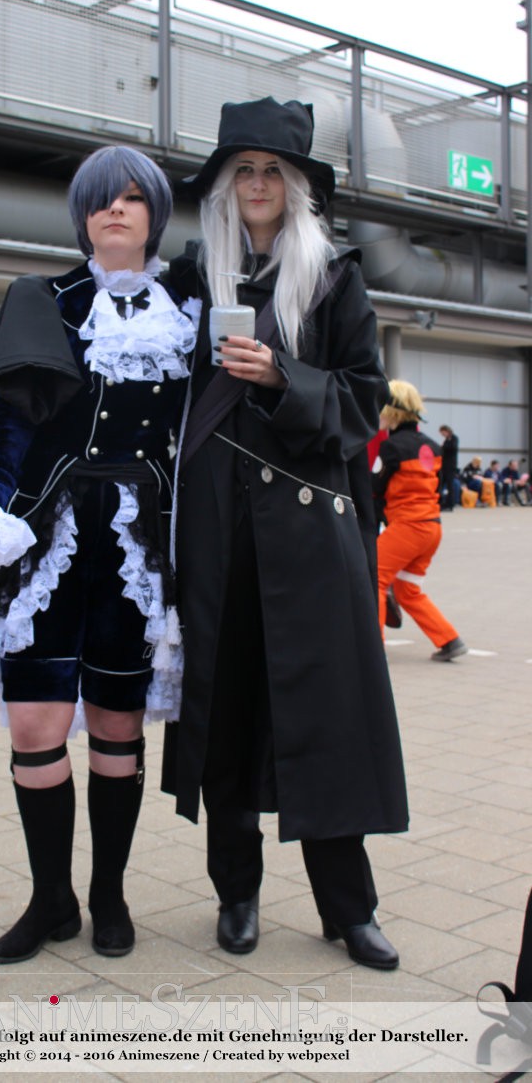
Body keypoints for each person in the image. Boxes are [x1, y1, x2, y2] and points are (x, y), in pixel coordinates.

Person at [0, 145, 197, 963]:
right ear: (81, 215)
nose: (117, 210)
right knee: (38, 720)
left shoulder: (192, 307)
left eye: (134, 199)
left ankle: (109, 895)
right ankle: (52, 900)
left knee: (115, 722)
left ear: (155, 217)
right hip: (52, 534)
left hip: (143, 541)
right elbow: (11, 426)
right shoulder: (43, 299)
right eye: (101, 199)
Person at [161, 97, 407, 970]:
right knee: (225, 713)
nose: (257, 184)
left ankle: (350, 906)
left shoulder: (334, 278)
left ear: (295, 187)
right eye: (243, 171)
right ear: (225, 187)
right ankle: (237, 892)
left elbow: (361, 406)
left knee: (325, 719)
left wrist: (280, 374)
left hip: (311, 538)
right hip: (219, 530)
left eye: (272, 170)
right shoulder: (193, 278)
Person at [374, 380, 468, 662]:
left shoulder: (390, 448)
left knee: (373, 578)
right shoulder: (432, 447)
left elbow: (374, 490)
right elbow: (436, 486)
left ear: (393, 412)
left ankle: (372, 649)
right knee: (406, 589)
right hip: (432, 528)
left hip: (407, 526)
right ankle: (449, 640)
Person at [438, 424, 459, 510]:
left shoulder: (453, 438)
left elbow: (452, 447)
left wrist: (443, 447)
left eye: (443, 433)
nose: (442, 435)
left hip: (450, 466)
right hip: (444, 466)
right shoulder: (447, 440)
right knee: (441, 484)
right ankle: (442, 502)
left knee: (450, 485)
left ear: (446, 431)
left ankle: (450, 504)